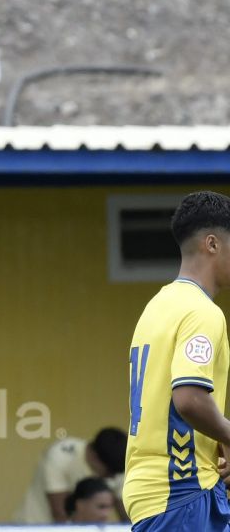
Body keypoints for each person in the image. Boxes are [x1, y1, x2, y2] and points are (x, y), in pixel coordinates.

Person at [124, 191, 230, 531]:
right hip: (182, 493)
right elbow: (189, 398)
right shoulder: (202, 313)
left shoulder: (157, 306)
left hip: (154, 493)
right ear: (212, 244)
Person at [15, 427, 127, 523]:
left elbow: (129, 517)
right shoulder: (61, 456)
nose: (113, 478)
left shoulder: (115, 465)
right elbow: (60, 515)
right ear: (94, 457)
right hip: (35, 525)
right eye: (109, 473)